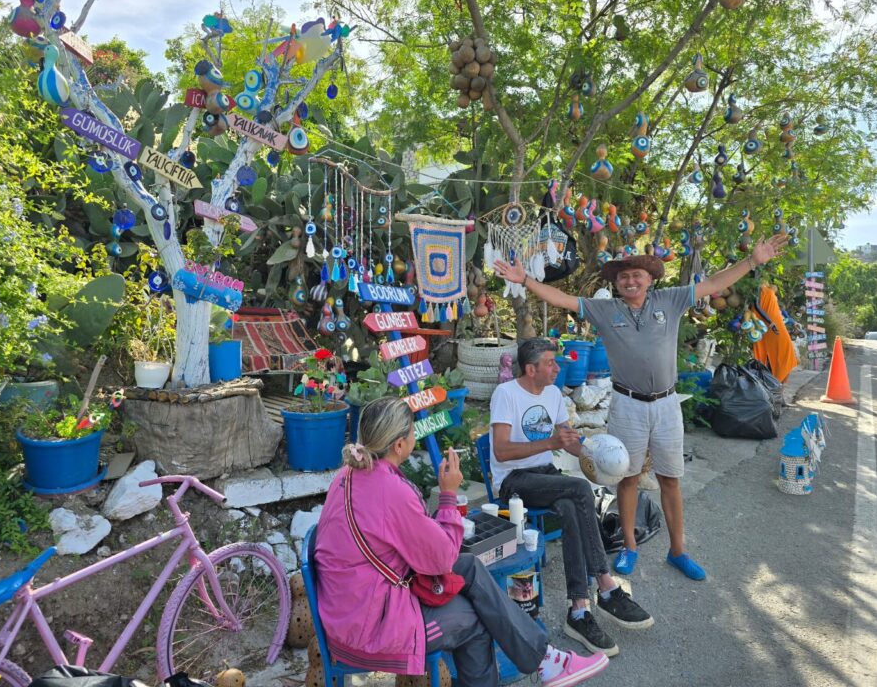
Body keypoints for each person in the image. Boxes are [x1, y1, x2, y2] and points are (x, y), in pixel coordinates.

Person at [494, 234, 788, 583]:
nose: (630, 281)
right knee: (628, 478)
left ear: (650, 279)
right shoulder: (606, 310)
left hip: (666, 405)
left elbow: (712, 284)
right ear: (616, 284)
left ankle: (678, 550)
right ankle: (629, 546)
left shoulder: (670, 300)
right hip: (627, 404)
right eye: (623, 277)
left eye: (637, 275)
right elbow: (563, 298)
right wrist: (526, 280)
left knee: (670, 479)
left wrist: (752, 261)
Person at [313, 396, 610, 687]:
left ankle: (546, 660)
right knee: (476, 620)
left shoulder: (349, 473)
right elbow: (442, 558)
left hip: (350, 609)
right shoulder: (391, 490)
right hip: (371, 629)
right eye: (413, 430)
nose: (415, 435)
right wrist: (448, 495)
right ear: (399, 445)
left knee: (468, 566)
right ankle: (545, 660)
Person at [489, 338, 654, 658]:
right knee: (579, 490)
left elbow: (568, 442)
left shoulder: (552, 394)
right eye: (550, 363)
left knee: (571, 506)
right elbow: (501, 451)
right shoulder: (506, 394)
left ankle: (578, 610)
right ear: (531, 369)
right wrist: (549, 443)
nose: (557, 368)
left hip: (545, 475)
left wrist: (600, 455)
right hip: (513, 481)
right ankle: (606, 585)